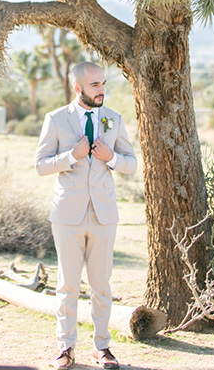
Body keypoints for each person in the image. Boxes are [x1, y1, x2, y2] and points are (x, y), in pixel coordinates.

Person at [35, 61, 137, 369]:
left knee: (101, 286)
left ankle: (101, 348)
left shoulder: (114, 120)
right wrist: (72, 156)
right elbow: (41, 165)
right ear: (78, 88)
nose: (102, 90)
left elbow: (131, 163)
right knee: (67, 285)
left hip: (104, 214)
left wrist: (112, 158)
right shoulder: (55, 119)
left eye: (104, 83)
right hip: (67, 214)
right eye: (95, 85)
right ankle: (66, 348)